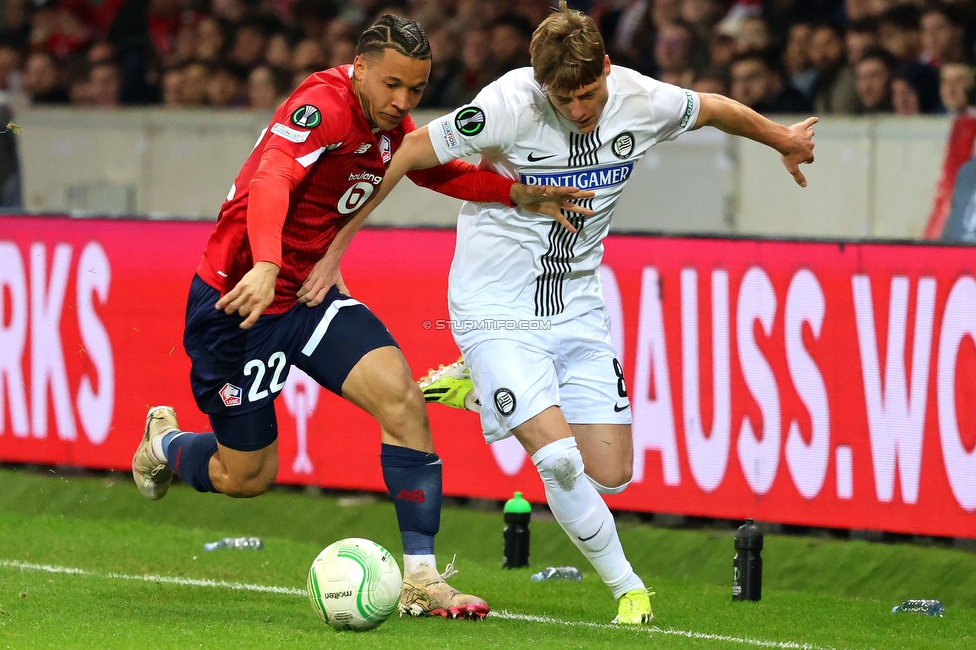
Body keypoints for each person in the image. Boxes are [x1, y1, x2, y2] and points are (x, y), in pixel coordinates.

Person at [321, 0, 816, 626]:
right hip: (493, 305)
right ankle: (629, 591)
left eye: (590, 93)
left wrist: (783, 139)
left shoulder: (640, 98)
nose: (581, 109)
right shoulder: (507, 104)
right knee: (556, 460)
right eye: (565, 98)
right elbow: (412, 151)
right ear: (540, 85)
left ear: (608, 68)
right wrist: (338, 245)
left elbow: (712, 108)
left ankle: (477, 393)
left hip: (578, 307)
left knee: (610, 473)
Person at [131, 13, 589, 621]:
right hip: (237, 305)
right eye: (392, 85)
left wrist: (515, 193)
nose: (402, 102)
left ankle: (422, 579)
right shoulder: (322, 106)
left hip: (309, 297)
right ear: (362, 67)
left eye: (417, 90)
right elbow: (273, 178)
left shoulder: (387, 123)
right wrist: (266, 264)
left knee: (401, 397)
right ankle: (164, 442)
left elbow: (431, 167)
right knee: (246, 476)